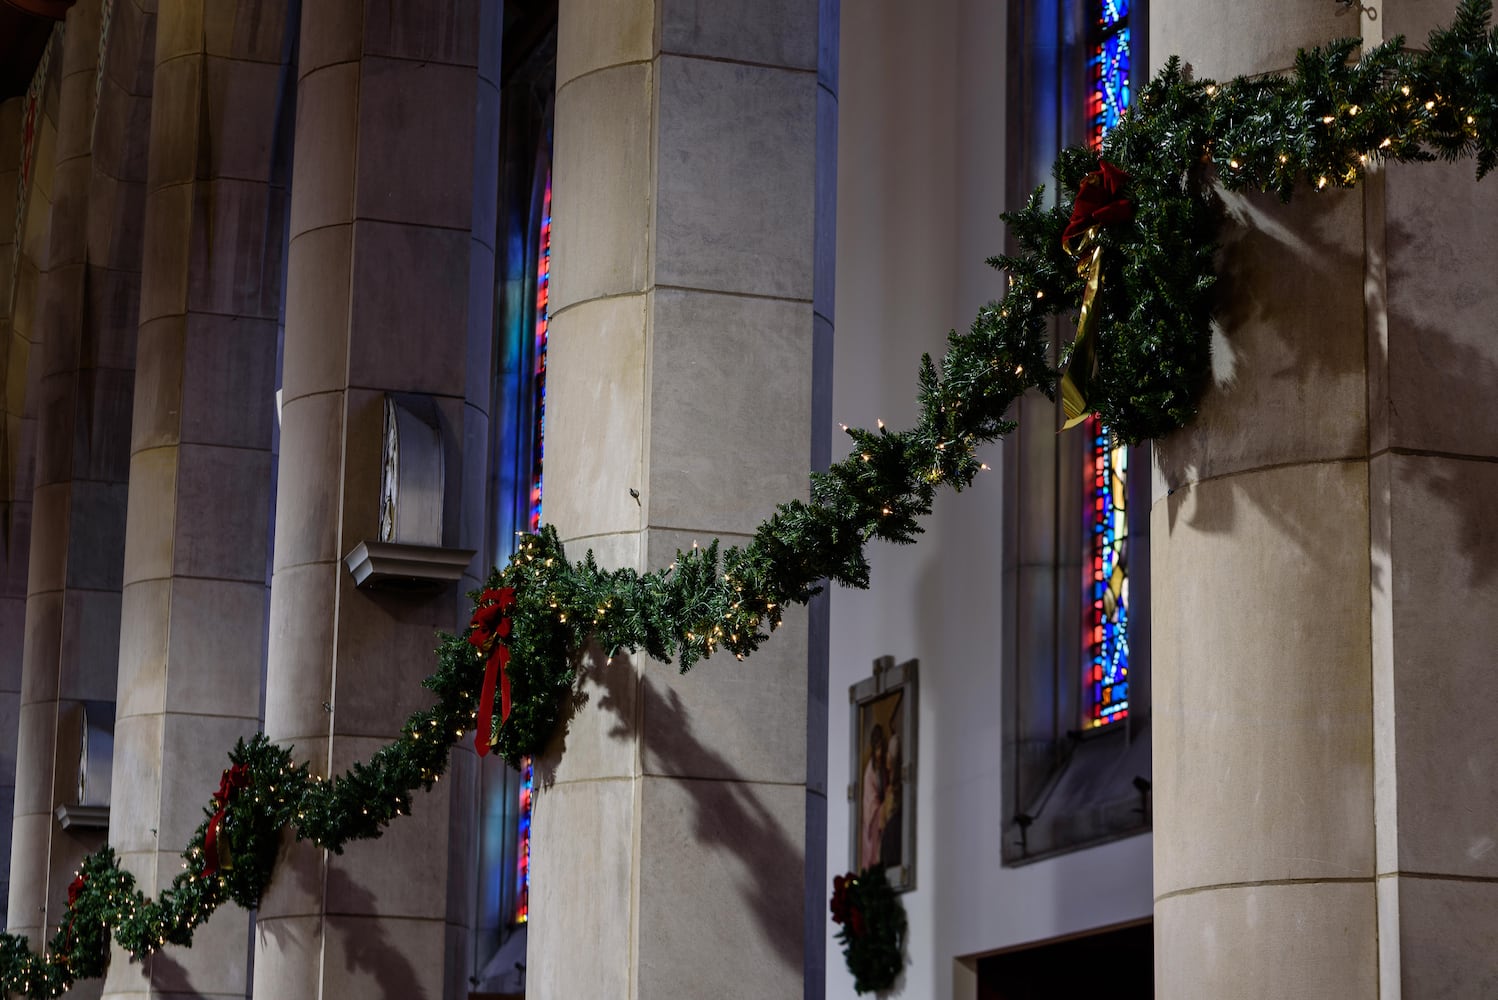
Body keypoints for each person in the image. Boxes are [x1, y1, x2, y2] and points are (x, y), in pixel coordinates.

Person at [861, 724, 887, 869]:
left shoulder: (881, 767)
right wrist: (881, 807)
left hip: (879, 811)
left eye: (881, 748)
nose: (880, 752)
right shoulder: (869, 772)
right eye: (877, 748)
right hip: (871, 820)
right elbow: (870, 799)